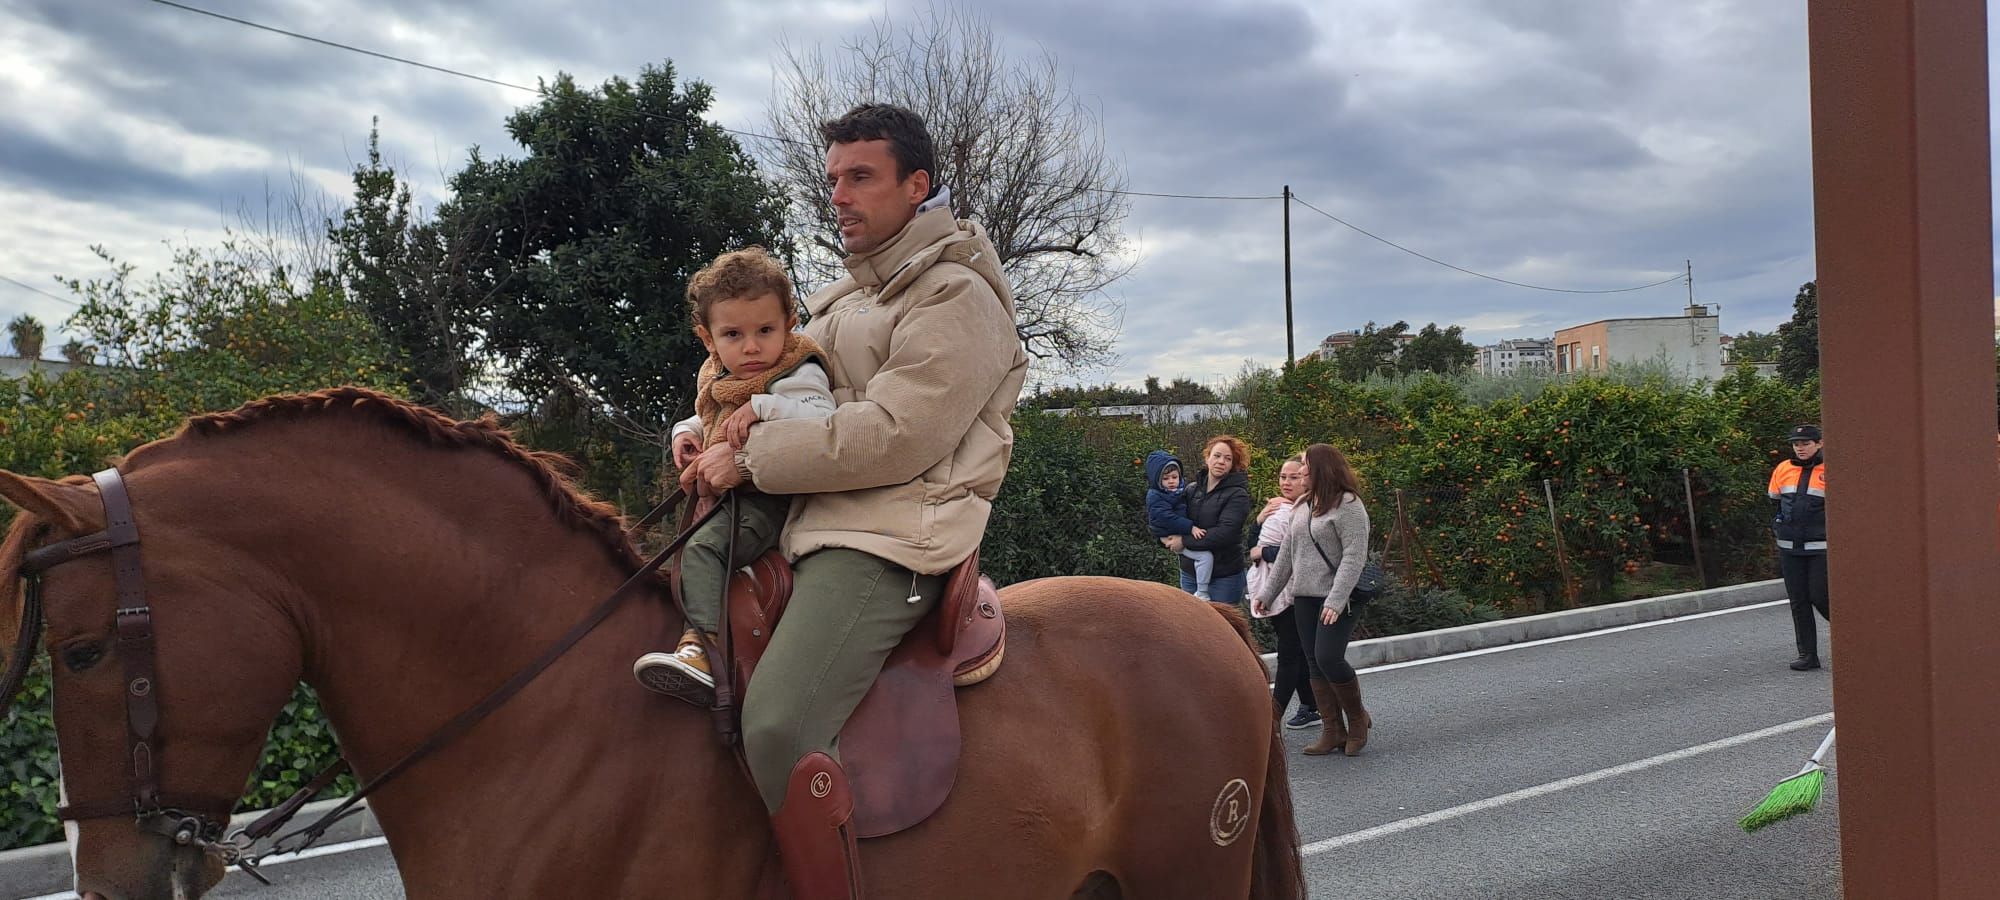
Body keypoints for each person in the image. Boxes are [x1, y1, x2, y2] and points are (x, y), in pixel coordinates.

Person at [678, 103, 1028, 898]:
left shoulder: (955, 297)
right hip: (812, 519)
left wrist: (754, 458)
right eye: (834, 178)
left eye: (860, 177)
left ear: (918, 185)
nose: (838, 194)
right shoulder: (846, 297)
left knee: (777, 726)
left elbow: (896, 435)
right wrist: (706, 436)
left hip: (893, 539)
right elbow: (773, 382)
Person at [632, 247, 834, 704]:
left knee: (703, 549)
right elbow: (711, 416)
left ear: (790, 321)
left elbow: (821, 413)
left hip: (771, 499)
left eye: (766, 330)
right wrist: (686, 433)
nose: (752, 347)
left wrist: (762, 406)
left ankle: (705, 651)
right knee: (677, 553)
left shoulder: (796, 369)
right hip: (731, 496)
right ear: (707, 338)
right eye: (733, 334)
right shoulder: (720, 373)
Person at [1251, 442, 1374, 757]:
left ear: (1321, 468)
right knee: (1314, 663)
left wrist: (1335, 600)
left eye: (1305, 465)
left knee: (1329, 657)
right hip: (1303, 596)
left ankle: (1357, 719)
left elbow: (1353, 556)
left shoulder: (1348, 504)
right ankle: (1332, 731)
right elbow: (1288, 556)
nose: (1300, 470)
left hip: (1338, 598)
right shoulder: (1303, 505)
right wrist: (1268, 593)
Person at [1248, 453, 1320, 730]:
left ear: (1306, 479)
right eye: (1283, 477)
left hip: (1296, 590)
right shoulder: (1278, 509)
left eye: (1294, 477)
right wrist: (1258, 520)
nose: (1287, 482)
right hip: (1273, 588)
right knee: (1298, 652)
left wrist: (1263, 551)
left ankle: (1272, 715)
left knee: (1290, 654)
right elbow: (1251, 547)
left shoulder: (1307, 510)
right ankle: (1311, 705)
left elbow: (1301, 550)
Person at [1163, 435, 1253, 603]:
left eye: (1228, 459)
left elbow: (1225, 533)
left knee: (1221, 627)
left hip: (1224, 577)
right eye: (1217, 456)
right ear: (1207, 457)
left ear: (1233, 465)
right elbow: (1173, 518)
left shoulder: (1238, 495)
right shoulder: (1191, 489)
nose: (1221, 461)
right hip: (1190, 573)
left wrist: (1184, 541)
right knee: (1190, 625)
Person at [1769, 424, 1830, 671]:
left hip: (1821, 546)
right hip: (1789, 545)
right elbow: (1774, 501)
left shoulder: (1831, 469)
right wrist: (1777, 526)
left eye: (1805, 443)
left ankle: (1855, 638)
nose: (1800, 448)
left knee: (1820, 595)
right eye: (1796, 443)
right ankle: (1807, 655)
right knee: (1798, 601)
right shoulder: (1783, 468)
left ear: (1819, 443)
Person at [1144, 450, 1215, 599]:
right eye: (1166, 478)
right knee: (1205, 557)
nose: (1171, 481)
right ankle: (1202, 593)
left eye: (1174, 477)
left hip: (1178, 533)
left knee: (1202, 557)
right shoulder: (1156, 496)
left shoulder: (1178, 491)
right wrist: (1190, 527)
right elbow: (1167, 518)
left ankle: (1200, 589)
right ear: (1157, 480)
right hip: (1170, 535)